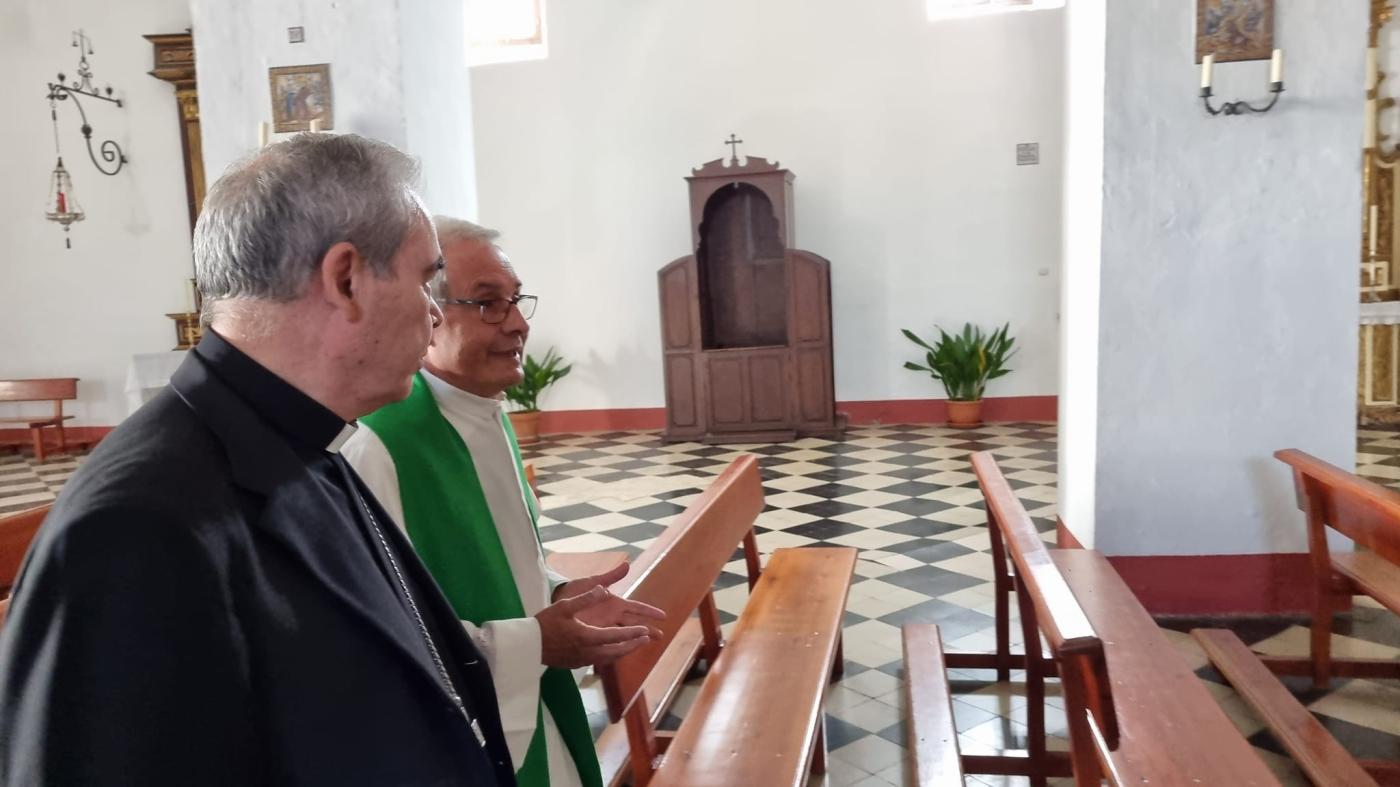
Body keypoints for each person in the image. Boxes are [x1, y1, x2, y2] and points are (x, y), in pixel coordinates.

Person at [0, 135, 517, 786]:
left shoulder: (301, 435)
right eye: (424, 279)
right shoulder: (135, 528)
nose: (435, 311)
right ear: (346, 280)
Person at [343, 218, 663, 787]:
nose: (517, 323)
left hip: (532, 702)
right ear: (428, 315)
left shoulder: (484, 412)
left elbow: (505, 556)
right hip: (472, 740)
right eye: (488, 304)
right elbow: (385, 642)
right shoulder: (379, 448)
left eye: (516, 300)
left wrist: (557, 591)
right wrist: (536, 641)